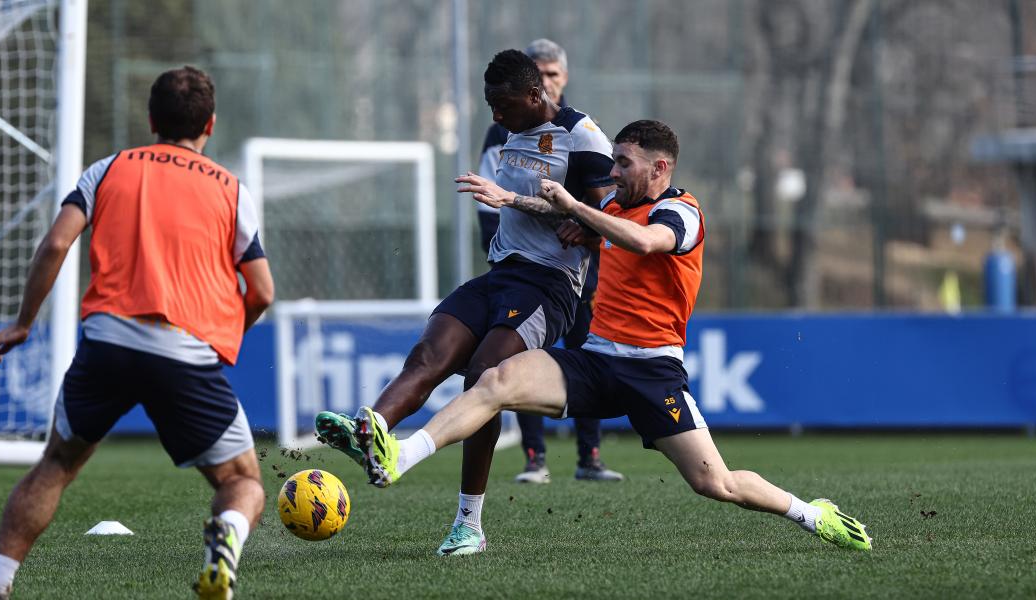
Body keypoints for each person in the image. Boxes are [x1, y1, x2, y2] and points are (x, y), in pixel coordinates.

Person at [352, 120, 874, 553]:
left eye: (624, 163)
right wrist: (511, 198)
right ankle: (404, 455)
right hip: (597, 362)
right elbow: (565, 212)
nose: (613, 170)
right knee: (494, 380)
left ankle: (811, 513)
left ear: (659, 167)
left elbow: (646, 242)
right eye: (614, 161)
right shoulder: (614, 208)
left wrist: (581, 211)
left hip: (652, 372)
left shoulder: (681, 213)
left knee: (717, 484)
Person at [0, 66, 274, 600]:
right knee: (242, 482)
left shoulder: (108, 169)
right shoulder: (231, 190)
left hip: (108, 341)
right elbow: (263, 291)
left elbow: (57, 244)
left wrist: (24, 322)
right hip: (184, 348)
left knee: (57, 465)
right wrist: (226, 332)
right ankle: (223, 545)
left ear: (152, 119)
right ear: (210, 123)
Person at [315, 49, 616, 555]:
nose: (495, 116)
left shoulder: (583, 136)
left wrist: (575, 223)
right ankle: (372, 430)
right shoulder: (505, 134)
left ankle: (469, 524)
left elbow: (611, 217)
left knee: (484, 374)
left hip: (551, 286)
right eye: (489, 105)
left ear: (534, 94)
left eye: (503, 105)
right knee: (430, 353)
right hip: (501, 273)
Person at [476, 38, 622, 485]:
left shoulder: (581, 131)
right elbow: (488, 199)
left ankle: (589, 456)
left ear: (561, 79)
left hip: (580, 266)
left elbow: (608, 205)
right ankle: (535, 458)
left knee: (587, 352)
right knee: (520, 359)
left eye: (554, 74)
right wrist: (496, 250)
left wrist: (592, 232)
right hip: (524, 268)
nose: (548, 81)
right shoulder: (503, 130)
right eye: (540, 73)